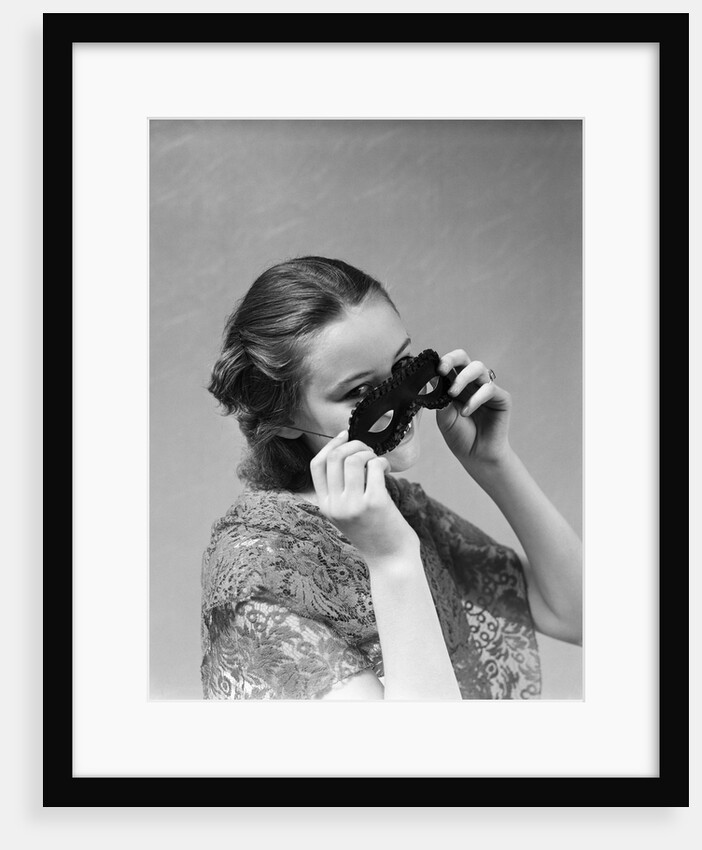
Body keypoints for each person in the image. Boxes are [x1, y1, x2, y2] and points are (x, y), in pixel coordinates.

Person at [201, 256, 582, 700]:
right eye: (361, 392)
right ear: (282, 418)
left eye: (405, 367)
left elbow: (578, 616)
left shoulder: (395, 506)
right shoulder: (258, 570)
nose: (404, 405)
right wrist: (392, 560)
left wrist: (495, 462)